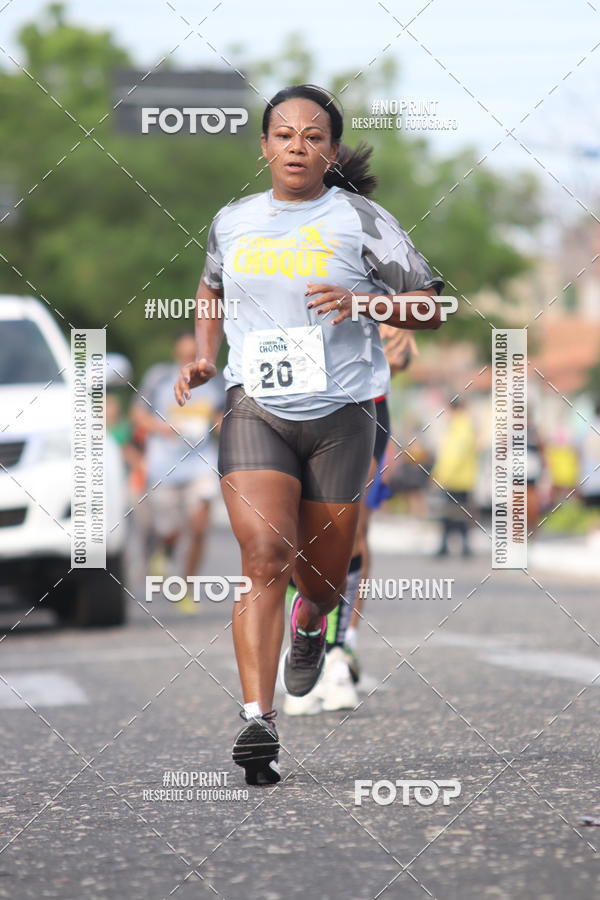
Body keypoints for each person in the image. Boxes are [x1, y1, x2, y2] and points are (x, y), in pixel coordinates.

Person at [174, 83, 445, 786]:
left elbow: (431, 305)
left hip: (342, 418)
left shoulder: (361, 220)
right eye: (285, 135)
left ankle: (311, 626)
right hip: (255, 409)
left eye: (314, 137)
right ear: (264, 147)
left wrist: (363, 300)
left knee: (319, 580)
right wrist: (206, 353)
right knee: (263, 556)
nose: (298, 146)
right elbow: (210, 288)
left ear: (330, 152)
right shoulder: (232, 221)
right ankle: (257, 719)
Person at [133, 333, 224, 606]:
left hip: (202, 462)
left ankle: (187, 585)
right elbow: (137, 414)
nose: (189, 361)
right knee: (169, 528)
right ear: (176, 355)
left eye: (193, 356)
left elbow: (221, 417)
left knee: (198, 526)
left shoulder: (215, 382)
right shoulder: (159, 377)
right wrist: (164, 429)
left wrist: (223, 427)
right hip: (164, 465)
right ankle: (165, 550)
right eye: (184, 357)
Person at [431, 396, 478, 557]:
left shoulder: (461, 426)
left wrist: (442, 475)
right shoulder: (458, 425)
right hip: (458, 477)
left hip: (457, 478)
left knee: (455, 513)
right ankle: (449, 545)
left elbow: (456, 454)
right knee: (454, 512)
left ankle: (459, 545)